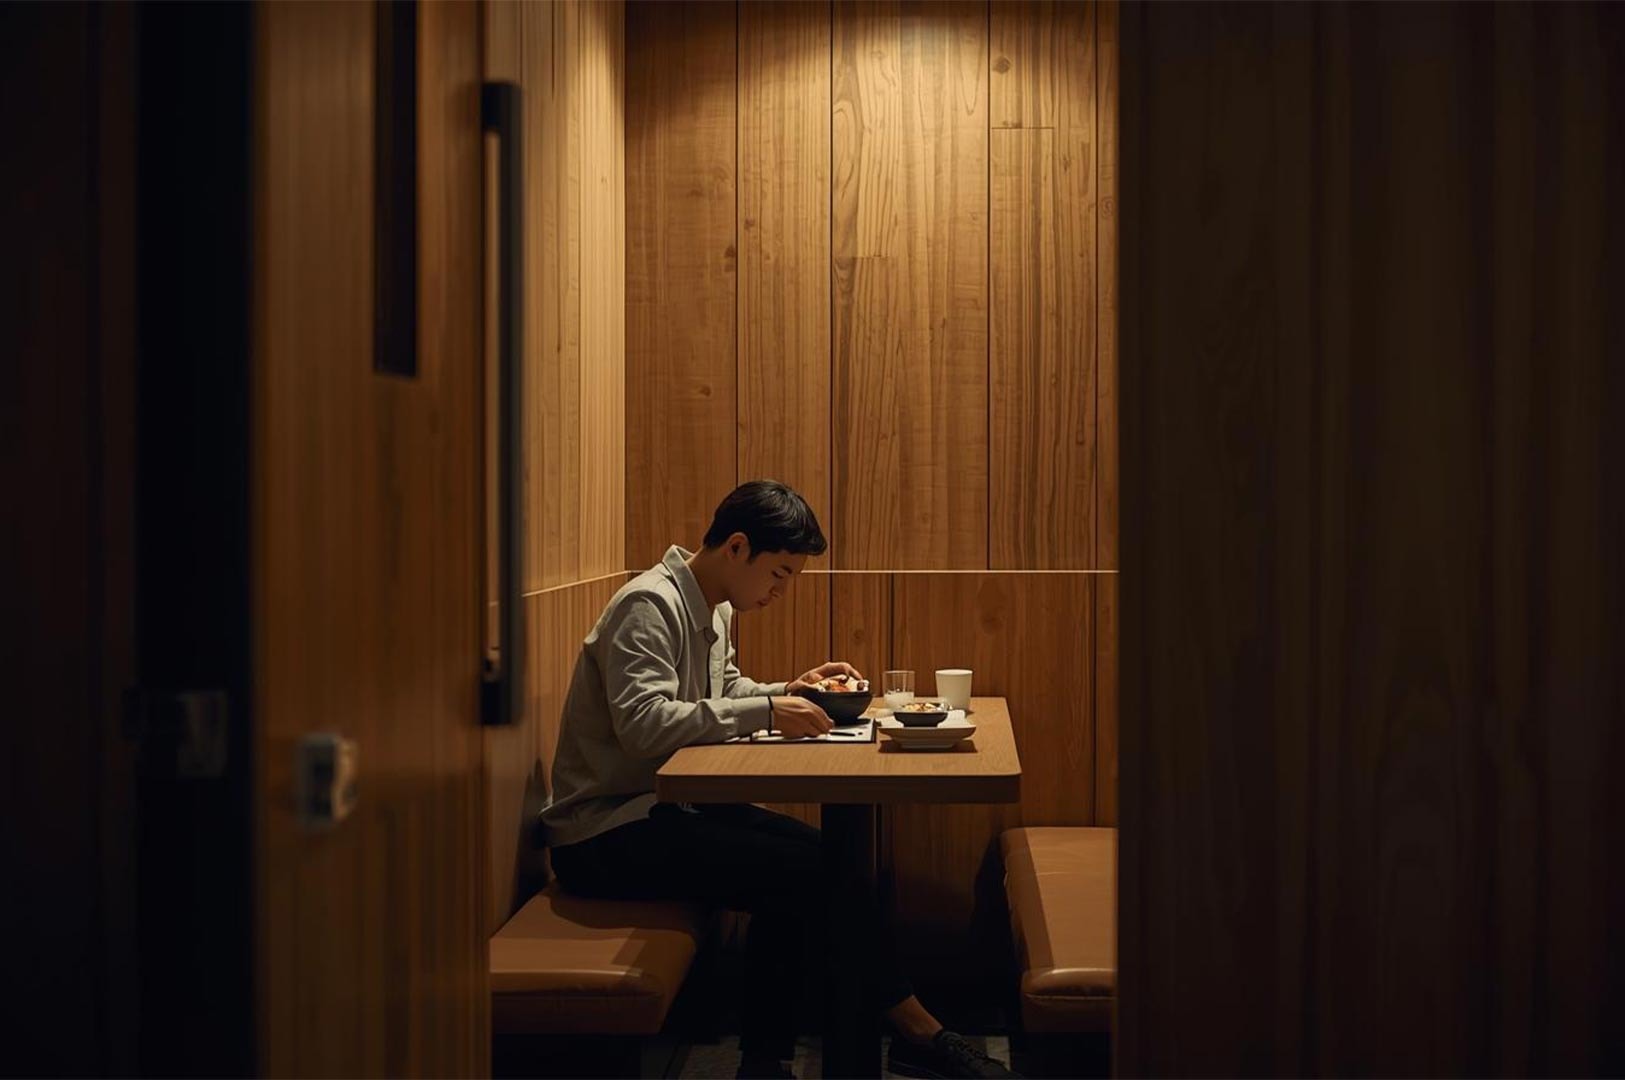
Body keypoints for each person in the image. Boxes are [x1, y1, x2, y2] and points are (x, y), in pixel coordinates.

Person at [541, 480, 1019, 1080]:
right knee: (805, 872)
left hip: (665, 808)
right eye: (781, 573)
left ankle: (769, 1059)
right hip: (605, 832)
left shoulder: (710, 603)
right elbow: (644, 725)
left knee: (821, 856)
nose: (780, 591)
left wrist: (789, 690)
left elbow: (724, 692)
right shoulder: (651, 605)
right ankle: (914, 1031)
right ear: (737, 548)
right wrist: (768, 712)